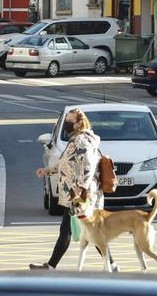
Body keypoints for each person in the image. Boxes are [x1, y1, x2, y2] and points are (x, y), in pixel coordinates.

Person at [31, 109, 113, 270]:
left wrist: (81, 188)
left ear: (79, 123)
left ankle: (112, 264)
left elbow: (88, 166)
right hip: (76, 195)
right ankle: (51, 265)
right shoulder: (76, 139)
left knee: (83, 232)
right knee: (71, 231)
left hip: (82, 196)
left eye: (70, 121)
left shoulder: (82, 141)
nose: (67, 124)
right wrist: (47, 170)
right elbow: (66, 163)